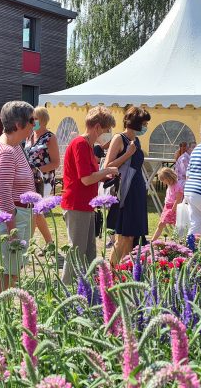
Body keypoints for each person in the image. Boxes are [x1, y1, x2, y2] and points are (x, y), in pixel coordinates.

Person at [61, 106, 117, 283]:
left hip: (87, 205)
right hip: (77, 204)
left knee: (89, 251)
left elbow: (88, 178)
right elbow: (85, 179)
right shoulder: (80, 144)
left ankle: (87, 288)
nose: (108, 134)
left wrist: (103, 176)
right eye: (107, 130)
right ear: (98, 127)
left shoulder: (88, 146)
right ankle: (67, 288)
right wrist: (106, 170)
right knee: (77, 251)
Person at [0, 101, 36, 296]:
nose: (35, 124)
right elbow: (3, 193)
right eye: (32, 121)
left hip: (20, 214)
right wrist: (13, 231)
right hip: (12, 217)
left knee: (12, 272)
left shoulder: (14, 146)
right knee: (8, 273)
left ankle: (1, 315)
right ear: (18, 124)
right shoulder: (7, 151)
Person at [105, 106, 150, 264]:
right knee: (123, 236)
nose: (146, 127)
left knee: (132, 236)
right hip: (125, 191)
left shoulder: (135, 140)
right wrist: (127, 154)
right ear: (136, 122)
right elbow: (108, 166)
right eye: (144, 123)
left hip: (137, 190)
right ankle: (111, 271)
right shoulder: (119, 138)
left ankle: (125, 269)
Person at [26, 106, 59, 244]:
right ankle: (49, 242)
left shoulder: (49, 137)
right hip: (29, 179)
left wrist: (37, 170)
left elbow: (56, 163)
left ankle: (28, 242)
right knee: (36, 212)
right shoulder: (29, 135)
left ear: (43, 120)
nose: (32, 121)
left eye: (35, 119)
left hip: (43, 180)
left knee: (35, 212)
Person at [151, 167, 183, 241]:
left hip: (173, 208)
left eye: (163, 180)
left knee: (176, 225)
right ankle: (153, 240)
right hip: (167, 207)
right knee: (161, 224)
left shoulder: (178, 186)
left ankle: (178, 240)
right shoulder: (170, 185)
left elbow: (178, 198)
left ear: (169, 178)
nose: (163, 182)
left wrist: (174, 209)